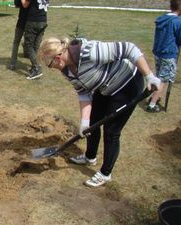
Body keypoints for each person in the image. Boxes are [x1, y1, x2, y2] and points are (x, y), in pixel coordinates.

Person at [38, 37, 161, 187]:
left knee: (112, 131)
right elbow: (83, 93)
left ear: (58, 58)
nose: (51, 68)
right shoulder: (67, 70)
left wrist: (149, 75)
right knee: (92, 123)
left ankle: (105, 173)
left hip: (127, 85)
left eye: (50, 65)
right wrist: (84, 123)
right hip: (105, 87)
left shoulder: (90, 52)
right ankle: (90, 157)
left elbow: (130, 49)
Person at [147, 0, 181, 112]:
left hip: (158, 52)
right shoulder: (178, 22)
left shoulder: (162, 18)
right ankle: (152, 104)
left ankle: (153, 97)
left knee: (159, 76)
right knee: (162, 80)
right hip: (168, 54)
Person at [22, 0, 48, 80]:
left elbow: (25, 4)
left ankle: (37, 68)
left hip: (34, 21)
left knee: (28, 45)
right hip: (43, 20)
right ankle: (34, 67)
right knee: (36, 46)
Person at [8, 0, 28, 70]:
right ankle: (13, 63)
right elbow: (16, 4)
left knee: (17, 42)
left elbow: (17, 4)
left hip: (28, 21)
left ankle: (13, 63)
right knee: (17, 42)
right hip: (24, 21)